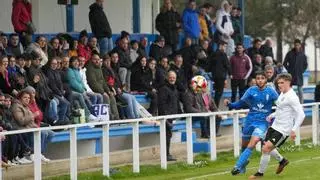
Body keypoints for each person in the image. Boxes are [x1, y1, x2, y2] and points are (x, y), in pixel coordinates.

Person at [249, 73, 305, 179]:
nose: (279, 85)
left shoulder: (292, 97)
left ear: (288, 82)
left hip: (283, 130)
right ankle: (282, 161)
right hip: (275, 126)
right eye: (278, 82)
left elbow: (301, 114)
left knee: (266, 149)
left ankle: (259, 174)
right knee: (265, 146)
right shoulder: (282, 93)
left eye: (282, 82)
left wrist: (293, 130)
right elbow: (281, 109)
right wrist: (272, 115)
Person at [224, 71, 281, 175]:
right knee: (244, 146)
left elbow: (281, 105)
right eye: (258, 78)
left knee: (253, 142)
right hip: (249, 121)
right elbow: (240, 103)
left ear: (266, 80)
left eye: (262, 78)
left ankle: (237, 166)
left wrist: (276, 117)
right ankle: (243, 164)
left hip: (262, 123)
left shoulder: (271, 92)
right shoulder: (251, 90)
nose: (260, 80)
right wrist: (230, 104)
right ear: (255, 80)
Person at [158, 71, 179, 161]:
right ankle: (166, 155)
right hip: (165, 117)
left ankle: (167, 154)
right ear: (167, 77)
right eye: (170, 77)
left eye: (174, 77)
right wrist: (165, 119)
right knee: (166, 136)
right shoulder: (164, 89)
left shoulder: (174, 89)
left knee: (168, 136)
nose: (172, 79)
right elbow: (162, 105)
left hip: (171, 117)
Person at [283, 39, 308, 103]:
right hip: (291, 75)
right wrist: (289, 70)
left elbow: (305, 64)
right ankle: (288, 103)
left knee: (300, 91)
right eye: (295, 45)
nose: (296, 46)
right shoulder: (290, 53)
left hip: (299, 75)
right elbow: (285, 63)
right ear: (294, 45)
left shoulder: (302, 54)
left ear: (300, 45)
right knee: (289, 90)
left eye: (298, 45)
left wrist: (301, 70)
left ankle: (301, 105)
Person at [207, 41, 231, 107]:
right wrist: (230, 73)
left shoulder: (213, 54)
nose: (225, 48)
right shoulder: (223, 54)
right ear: (220, 46)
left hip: (214, 76)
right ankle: (216, 107)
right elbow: (227, 65)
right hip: (221, 76)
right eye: (224, 46)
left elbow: (209, 65)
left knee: (215, 93)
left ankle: (214, 106)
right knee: (219, 93)